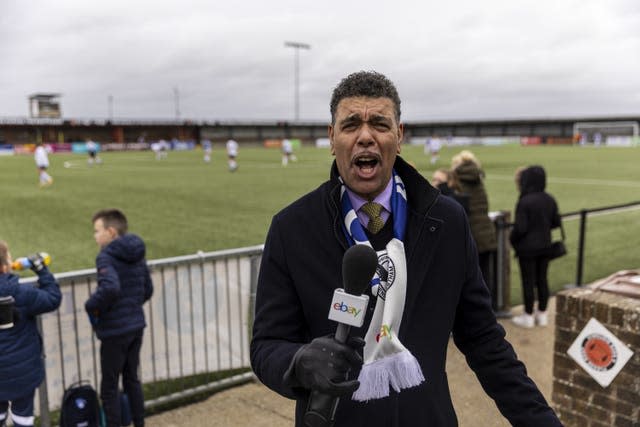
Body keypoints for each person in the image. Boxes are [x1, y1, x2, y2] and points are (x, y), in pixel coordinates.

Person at [250, 71, 562, 426]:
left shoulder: (446, 222)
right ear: (332, 137)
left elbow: (484, 341)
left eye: (380, 124)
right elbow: (266, 346)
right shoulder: (293, 228)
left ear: (399, 136)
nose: (365, 136)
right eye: (351, 124)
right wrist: (298, 363)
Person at [85, 209, 153, 427]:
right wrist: (131, 306)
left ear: (111, 232)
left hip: (115, 331)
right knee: (132, 379)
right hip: (136, 325)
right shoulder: (138, 251)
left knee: (110, 387)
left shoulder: (106, 255)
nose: (94, 236)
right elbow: (147, 289)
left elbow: (111, 289)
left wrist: (91, 306)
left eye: (97, 231)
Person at [0, 241, 61, 427]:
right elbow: (52, 298)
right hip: (23, 372)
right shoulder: (21, 293)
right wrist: (42, 270)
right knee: (23, 417)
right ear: (4, 267)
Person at [509, 166, 561, 328]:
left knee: (528, 282)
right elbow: (556, 222)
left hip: (527, 249)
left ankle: (529, 316)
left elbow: (520, 228)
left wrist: (512, 239)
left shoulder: (525, 201)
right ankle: (542, 314)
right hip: (545, 246)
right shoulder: (549, 198)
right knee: (542, 280)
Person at [451, 149, 498, 309]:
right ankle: (488, 311)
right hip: (487, 233)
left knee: (466, 279)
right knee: (485, 277)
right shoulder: (478, 180)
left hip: (471, 235)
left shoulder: (458, 182)